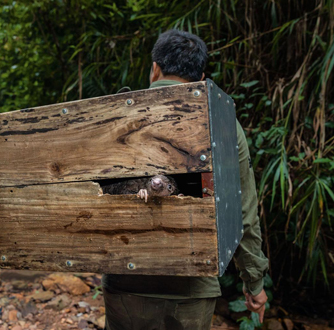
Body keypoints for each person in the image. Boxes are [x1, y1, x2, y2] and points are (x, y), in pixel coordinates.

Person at [102, 29, 269, 330]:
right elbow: (242, 212)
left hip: (125, 281)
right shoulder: (223, 122)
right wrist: (253, 281)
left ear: (155, 68)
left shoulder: (115, 115)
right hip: (192, 287)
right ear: (202, 78)